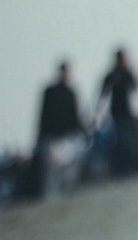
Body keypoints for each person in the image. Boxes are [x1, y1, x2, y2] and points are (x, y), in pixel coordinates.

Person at [36, 61, 87, 196]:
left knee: (69, 171)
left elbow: (75, 117)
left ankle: (67, 194)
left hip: (68, 138)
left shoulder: (71, 92)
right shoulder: (50, 92)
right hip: (53, 139)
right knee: (52, 173)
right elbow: (43, 116)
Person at [97, 48, 138, 176]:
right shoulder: (111, 76)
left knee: (131, 141)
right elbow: (103, 95)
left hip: (130, 115)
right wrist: (98, 114)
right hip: (117, 115)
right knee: (119, 142)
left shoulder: (129, 75)